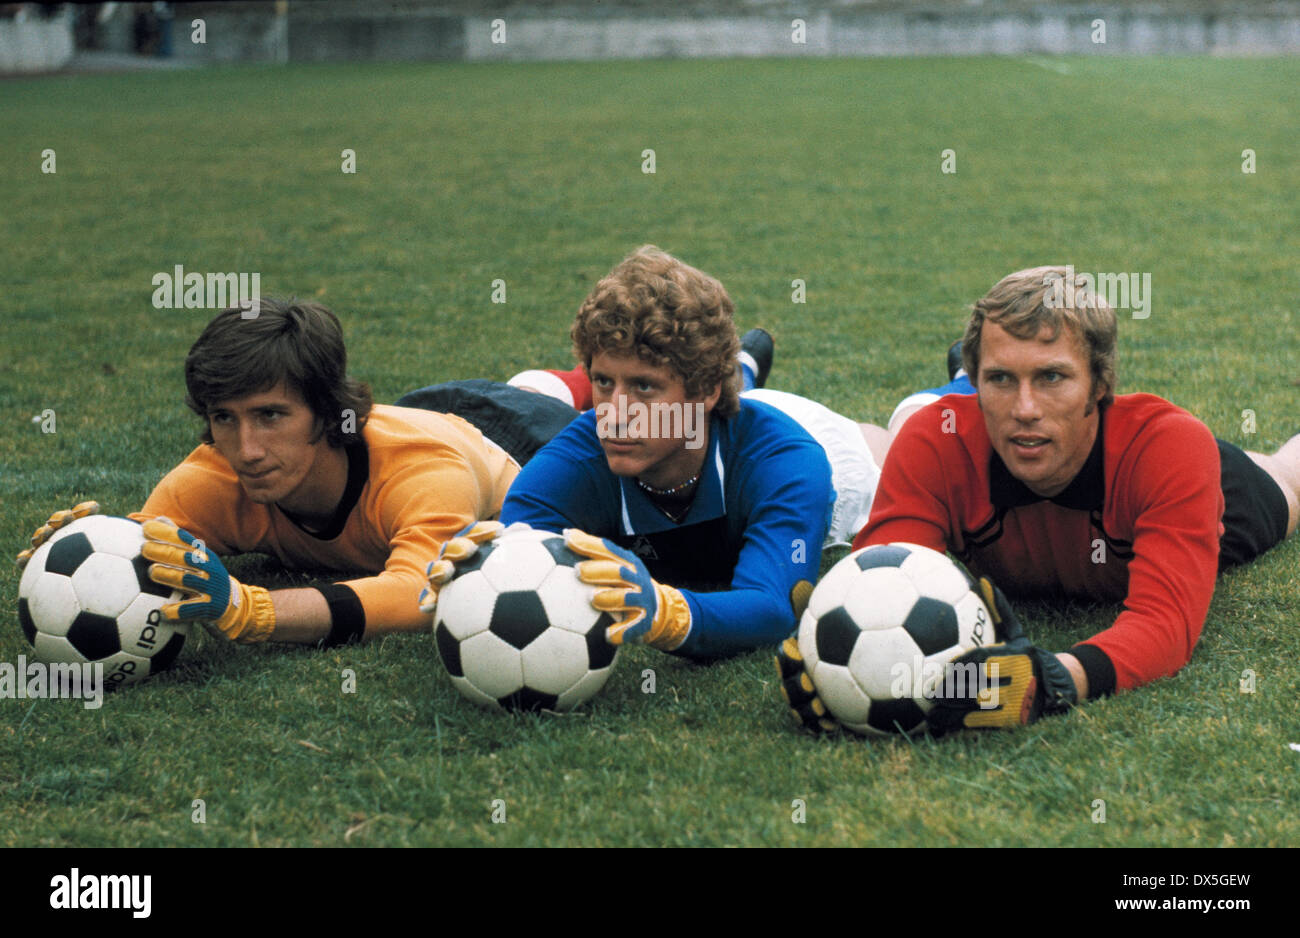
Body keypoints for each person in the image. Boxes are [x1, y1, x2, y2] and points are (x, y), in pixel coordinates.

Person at [780, 265, 1300, 732]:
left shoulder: (1169, 450)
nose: (1025, 408)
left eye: (1051, 377)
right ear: (975, 385)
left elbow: (1164, 624)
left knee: (1285, 478)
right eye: (1000, 379)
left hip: (1214, 487)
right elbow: (878, 581)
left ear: (1100, 383)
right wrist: (829, 658)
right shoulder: (932, 440)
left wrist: (1053, 679)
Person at [16, 300, 570, 647]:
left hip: (518, 438)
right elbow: (148, 550)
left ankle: (569, 380)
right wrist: (91, 548)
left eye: (270, 416)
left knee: (557, 401)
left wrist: (256, 611)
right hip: (422, 411)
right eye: (224, 418)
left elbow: (419, 596)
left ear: (327, 412)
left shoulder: (424, 473)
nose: (246, 449)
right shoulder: (215, 477)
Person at [424, 246, 846, 661]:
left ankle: (743, 370)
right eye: (604, 382)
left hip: (824, 437)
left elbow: (772, 607)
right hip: (708, 419)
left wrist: (668, 614)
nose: (615, 414)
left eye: (644, 386)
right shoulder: (578, 454)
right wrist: (482, 562)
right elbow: (518, 544)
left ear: (704, 391)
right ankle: (742, 366)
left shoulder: (787, 461)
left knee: (864, 436)